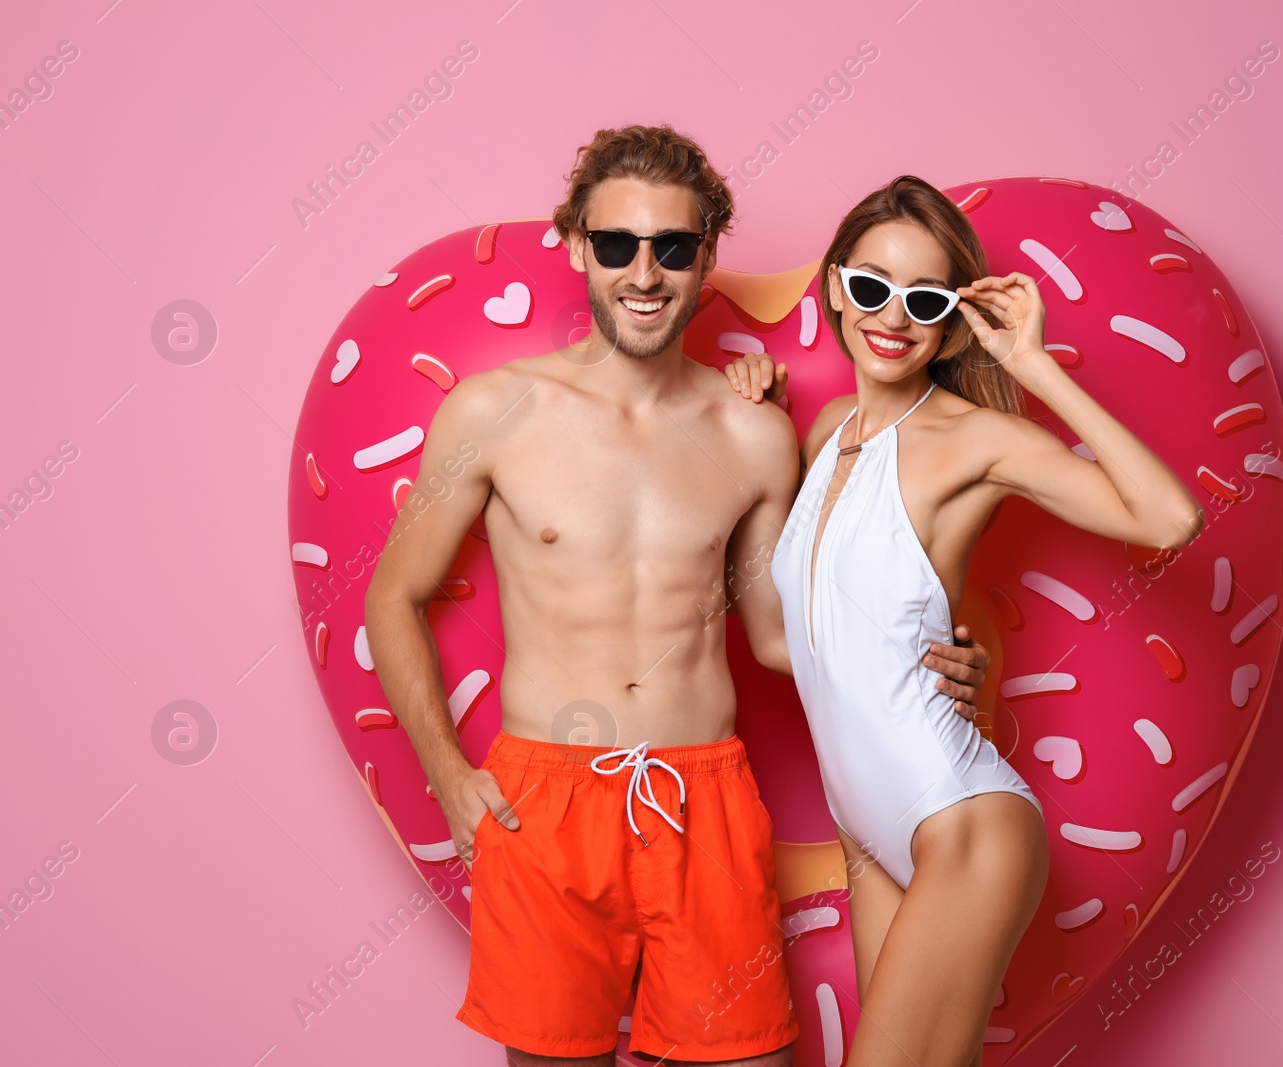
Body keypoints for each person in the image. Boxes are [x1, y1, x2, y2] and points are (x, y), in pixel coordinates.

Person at [363, 129, 993, 1066]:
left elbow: (784, 635)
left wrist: (930, 663)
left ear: (707, 255)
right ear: (577, 244)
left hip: (704, 802)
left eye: (673, 246)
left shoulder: (755, 434)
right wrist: (452, 780)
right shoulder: (495, 412)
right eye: (617, 244)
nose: (643, 271)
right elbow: (392, 596)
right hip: (544, 801)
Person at [724, 175, 1205, 1067]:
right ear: (835, 286)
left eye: (925, 299)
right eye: (871, 287)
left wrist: (1032, 366)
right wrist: (750, 437)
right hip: (866, 831)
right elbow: (777, 641)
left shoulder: (972, 438)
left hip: (962, 820)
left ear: (951, 318)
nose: (892, 317)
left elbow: (1170, 518)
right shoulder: (825, 427)